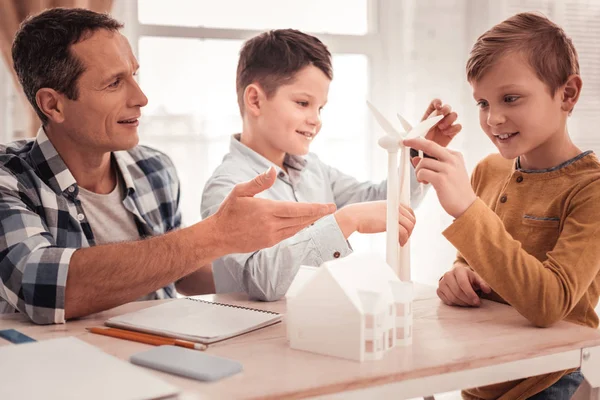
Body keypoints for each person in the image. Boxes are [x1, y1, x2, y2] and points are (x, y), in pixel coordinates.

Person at [0, 8, 335, 325]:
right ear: (53, 104)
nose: (141, 97)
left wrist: (268, 266)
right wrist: (216, 234)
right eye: (114, 83)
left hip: (161, 358)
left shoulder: (154, 168)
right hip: (61, 372)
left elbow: (182, 273)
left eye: (133, 75)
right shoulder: (10, 178)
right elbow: (43, 288)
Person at [405, 12, 599, 399]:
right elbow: (472, 261)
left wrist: (467, 210)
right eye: (482, 102)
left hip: (545, 381)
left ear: (567, 94)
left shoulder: (590, 189)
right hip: (481, 378)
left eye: (510, 98)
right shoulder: (489, 170)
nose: (493, 118)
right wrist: (457, 279)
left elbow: (549, 303)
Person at [201, 29, 461, 301]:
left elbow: (383, 202)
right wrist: (348, 220)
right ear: (255, 100)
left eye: (320, 108)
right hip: (252, 337)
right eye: (303, 103)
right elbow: (262, 280)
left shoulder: (313, 170)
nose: (316, 119)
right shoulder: (227, 189)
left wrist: (421, 156)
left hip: (316, 327)